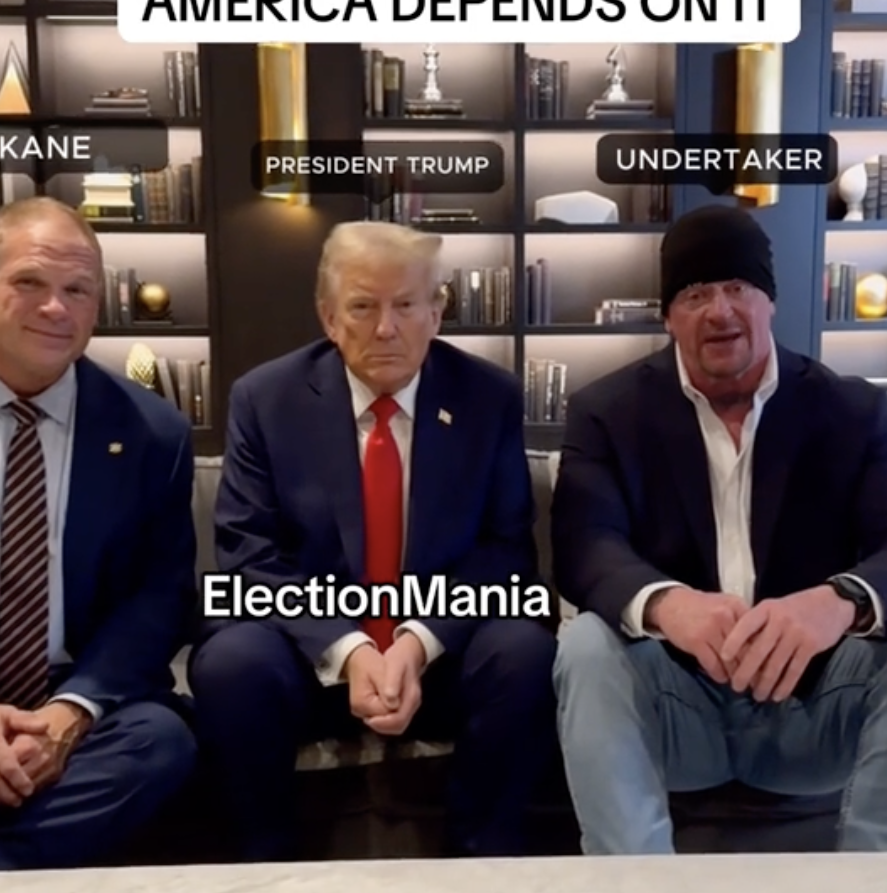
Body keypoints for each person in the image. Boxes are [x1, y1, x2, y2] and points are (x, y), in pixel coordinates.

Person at [188, 220, 556, 861]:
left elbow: (504, 554)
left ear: (436, 312)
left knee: (523, 648)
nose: (386, 328)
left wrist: (416, 642)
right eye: (363, 306)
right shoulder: (266, 399)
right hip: (311, 661)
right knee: (229, 662)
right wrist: (350, 649)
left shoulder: (487, 397)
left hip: (440, 658)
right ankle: (262, 866)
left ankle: (482, 863)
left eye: (406, 305)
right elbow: (249, 556)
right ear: (330, 317)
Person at [551, 203, 887, 854]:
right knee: (586, 645)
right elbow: (583, 543)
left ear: (768, 300)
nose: (719, 311)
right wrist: (665, 604)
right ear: (668, 314)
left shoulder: (855, 409)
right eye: (695, 293)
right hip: (677, 712)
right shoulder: (605, 411)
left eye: (737, 288)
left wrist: (839, 600)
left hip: (813, 709)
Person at [0, 196, 198, 869]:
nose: (55, 308)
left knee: (160, 741)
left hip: (75, 696)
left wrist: (69, 712)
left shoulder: (151, 433)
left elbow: (158, 598)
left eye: (77, 289)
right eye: (29, 282)